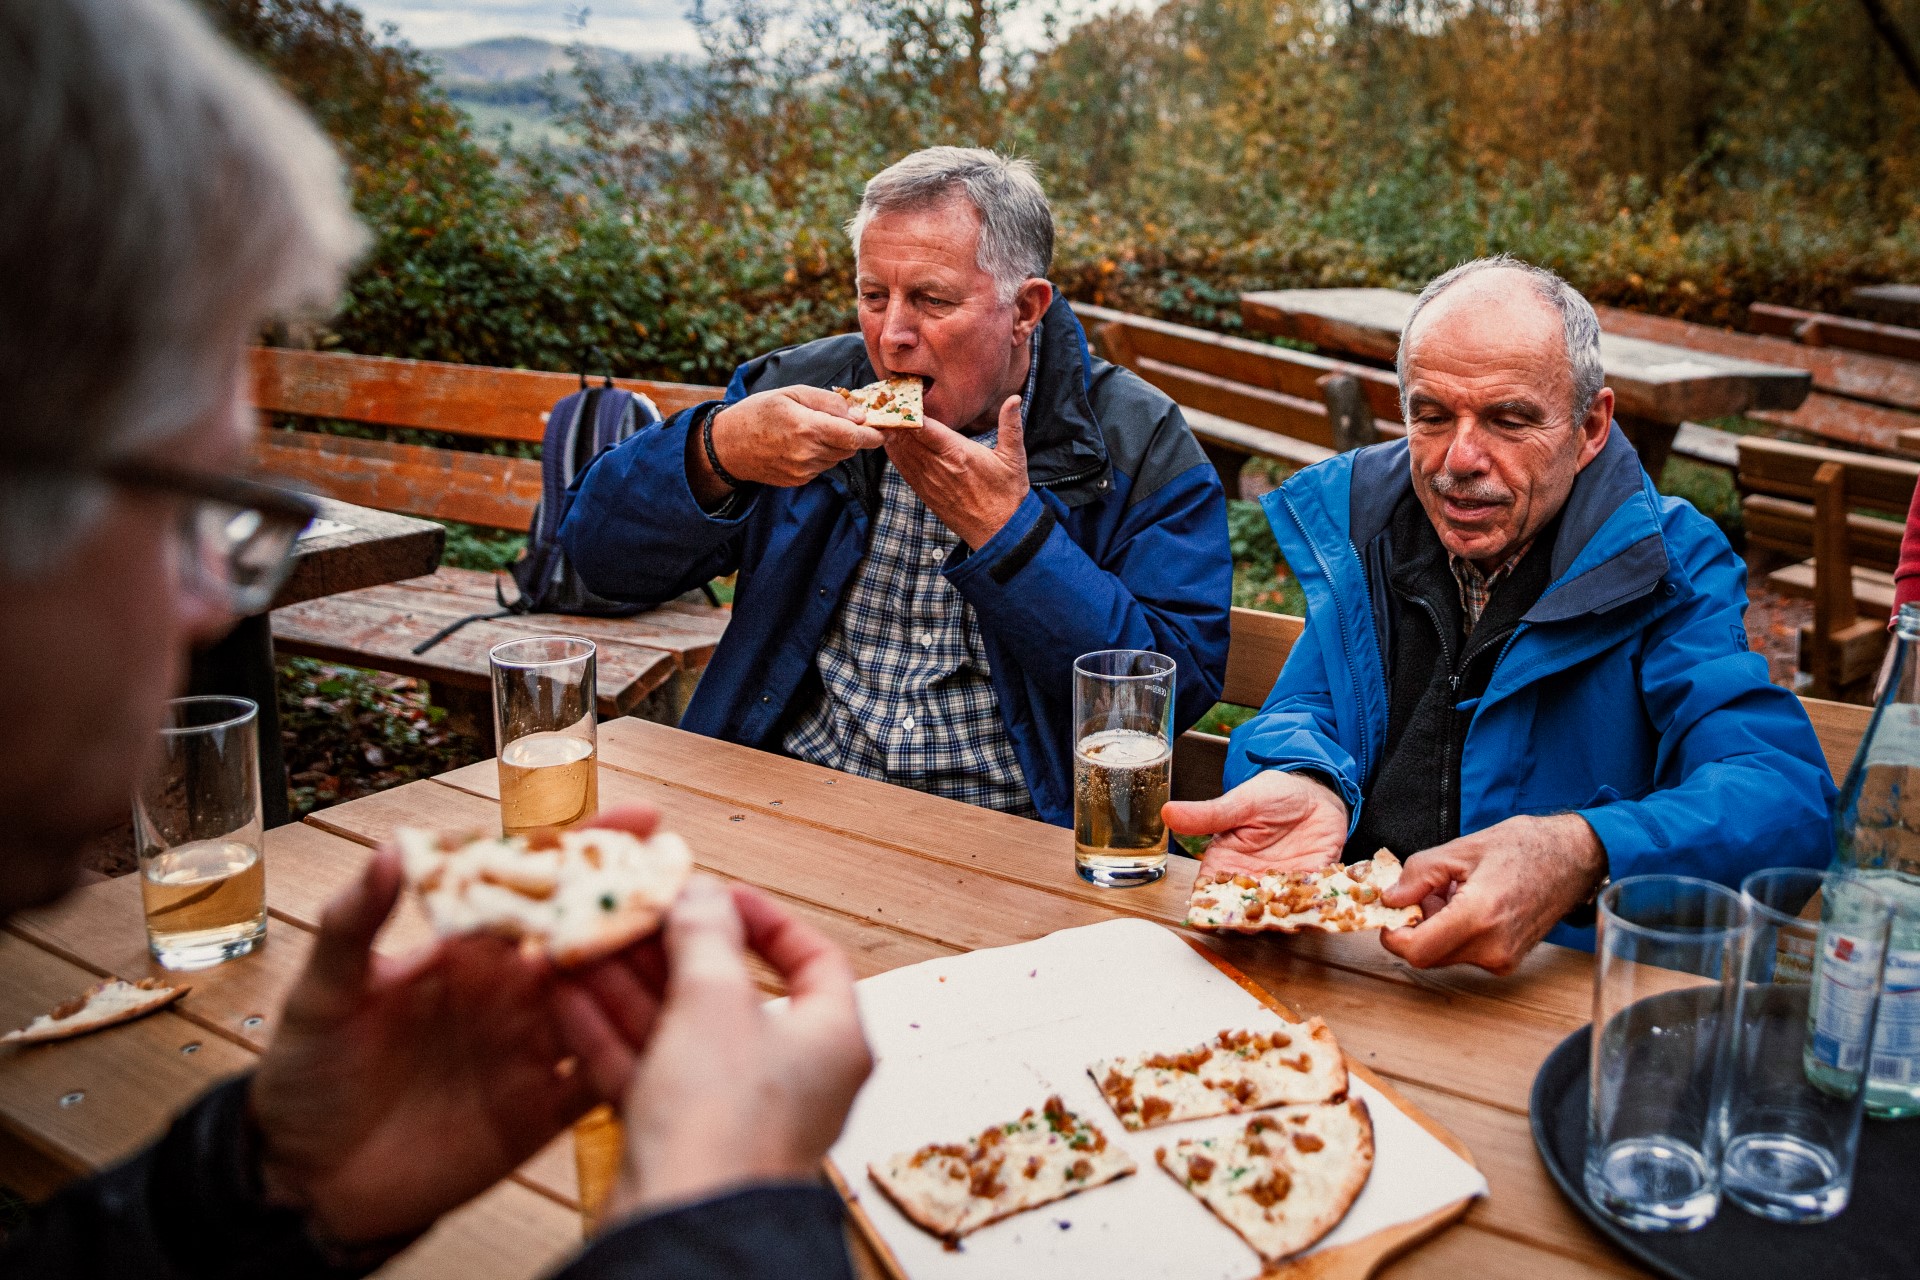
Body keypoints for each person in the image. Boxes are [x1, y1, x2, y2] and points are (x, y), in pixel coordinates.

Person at [0, 1, 870, 1276]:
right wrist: (715, 1221)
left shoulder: (1113, 441)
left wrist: (266, 1195)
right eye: (212, 511)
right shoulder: (795, 381)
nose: (212, 611)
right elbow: (585, 559)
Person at [1163, 256, 1837, 974]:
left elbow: (1781, 794)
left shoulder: (1668, 564)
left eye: (1508, 420)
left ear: (1590, 427)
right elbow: (1309, 709)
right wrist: (1307, 776)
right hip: (1362, 970)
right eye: (1430, 415)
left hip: (1552, 994)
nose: (1459, 459)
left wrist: (1584, 850)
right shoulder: (1369, 527)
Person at [559, 148, 1232, 826]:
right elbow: (598, 558)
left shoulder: (1136, 441)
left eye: (933, 300)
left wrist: (1011, 536)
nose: (892, 336)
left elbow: (1167, 698)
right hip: (783, 801)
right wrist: (716, 451)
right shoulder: (800, 390)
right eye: (872, 296)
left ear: (1025, 309)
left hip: (1016, 829)